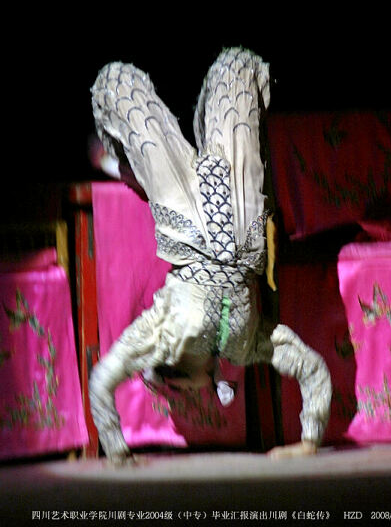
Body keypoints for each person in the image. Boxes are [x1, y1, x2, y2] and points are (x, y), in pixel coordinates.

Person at [89, 47, 332, 465]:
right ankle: (124, 164)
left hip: (191, 229)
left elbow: (101, 382)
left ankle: (123, 164)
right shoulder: (244, 347)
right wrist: (309, 440)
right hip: (234, 223)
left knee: (118, 83)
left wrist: (117, 451)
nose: (192, 390)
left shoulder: (160, 336)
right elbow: (313, 369)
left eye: (183, 388)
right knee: (233, 65)